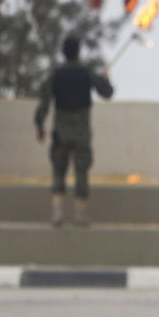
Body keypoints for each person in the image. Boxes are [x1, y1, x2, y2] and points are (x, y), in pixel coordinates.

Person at [34, 34, 114, 227]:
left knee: (59, 171)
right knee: (81, 172)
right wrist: (105, 79)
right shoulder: (86, 73)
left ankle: (58, 213)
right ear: (78, 52)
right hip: (81, 132)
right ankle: (80, 215)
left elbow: (44, 102)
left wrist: (39, 125)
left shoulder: (56, 75)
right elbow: (107, 92)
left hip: (60, 131)